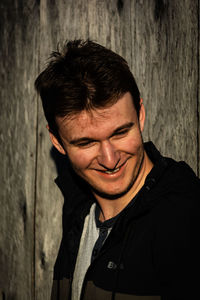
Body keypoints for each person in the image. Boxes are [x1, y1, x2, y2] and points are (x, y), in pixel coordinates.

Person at [35, 40, 200, 300]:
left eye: (121, 132)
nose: (110, 160)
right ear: (58, 142)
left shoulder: (185, 220)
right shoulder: (78, 208)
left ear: (140, 115)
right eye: (86, 142)